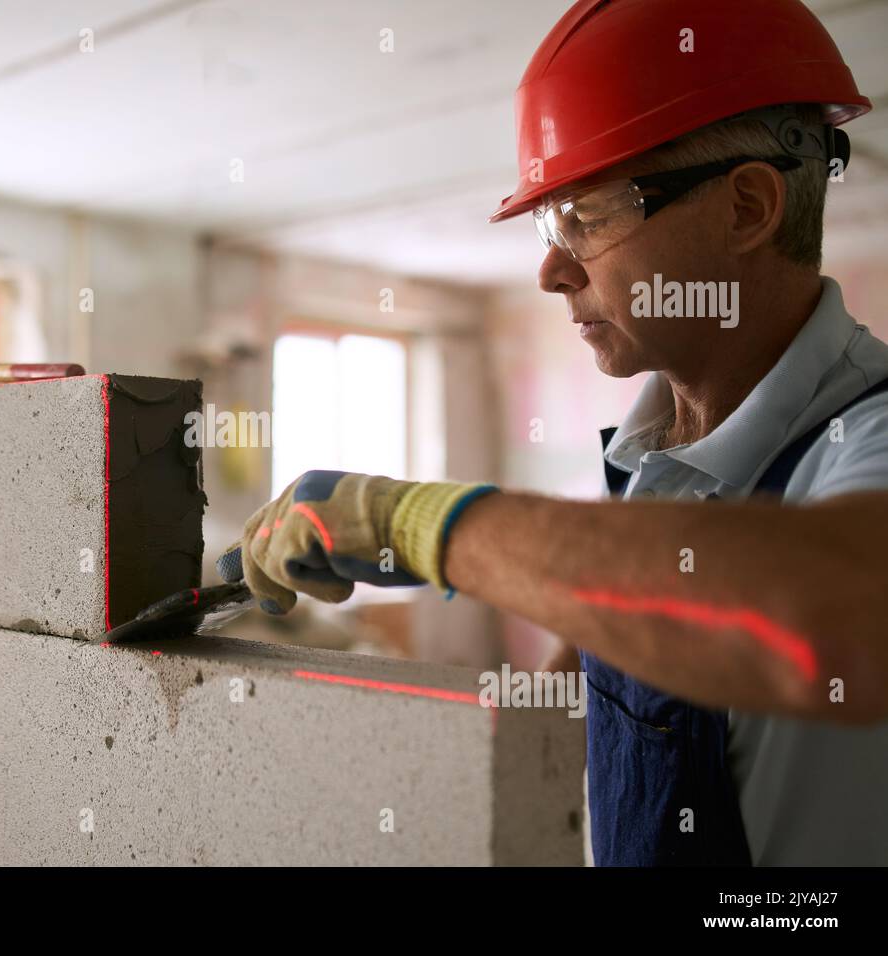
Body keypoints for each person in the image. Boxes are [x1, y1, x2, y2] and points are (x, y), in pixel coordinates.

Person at [219, 0, 888, 866]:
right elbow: (610, 666)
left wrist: (422, 524)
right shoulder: (654, 456)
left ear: (748, 207)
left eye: (591, 215)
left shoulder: (865, 434)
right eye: (549, 222)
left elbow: (840, 621)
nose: (550, 268)